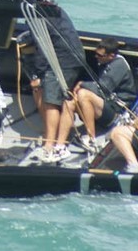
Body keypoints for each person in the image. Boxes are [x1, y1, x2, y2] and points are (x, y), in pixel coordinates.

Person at [58, 37, 136, 154]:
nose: (96, 57)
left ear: (111, 55)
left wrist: (82, 84)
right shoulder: (105, 62)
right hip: (104, 105)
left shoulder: (119, 65)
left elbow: (102, 89)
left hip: (116, 113)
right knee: (69, 103)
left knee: (84, 94)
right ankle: (59, 145)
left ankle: (91, 138)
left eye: (100, 55)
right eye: (96, 54)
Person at [26, 10, 84, 162]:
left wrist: (37, 75)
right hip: (73, 58)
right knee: (65, 100)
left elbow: (41, 48)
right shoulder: (54, 12)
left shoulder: (35, 17)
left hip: (61, 62)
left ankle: (51, 146)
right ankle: (58, 143)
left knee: (51, 102)